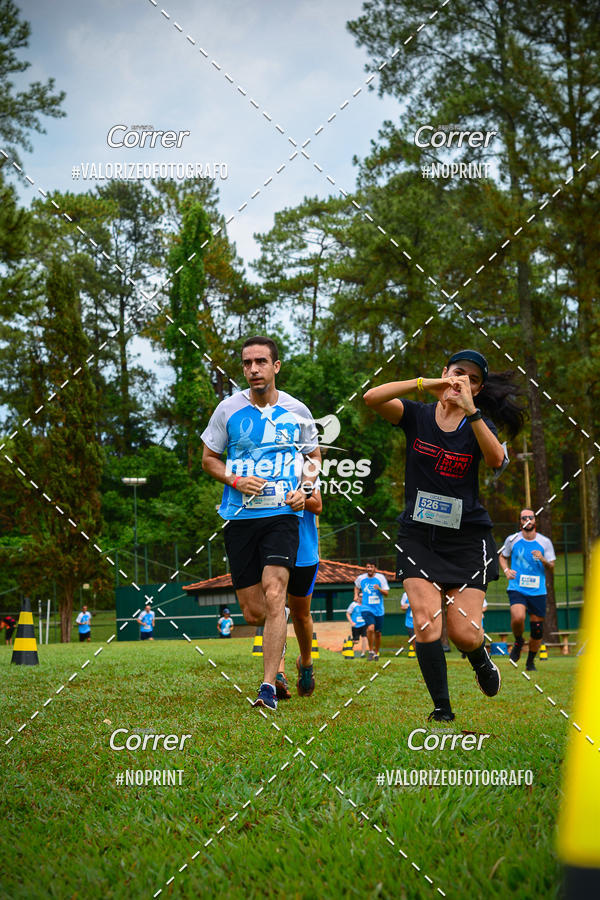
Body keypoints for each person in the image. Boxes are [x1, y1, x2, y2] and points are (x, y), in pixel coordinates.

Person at [364, 349, 525, 722]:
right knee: (425, 621)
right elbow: (372, 398)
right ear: (443, 374)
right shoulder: (418, 415)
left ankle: (480, 658)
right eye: (455, 372)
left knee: (464, 633)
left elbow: (497, 460)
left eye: (469, 378)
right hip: (419, 535)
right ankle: (442, 709)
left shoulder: (478, 424)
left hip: (467, 538)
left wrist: (472, 410)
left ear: (478, 388)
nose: (459, 381)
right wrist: (426, 384)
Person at [202, 336, 320, 711]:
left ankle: (268, 685)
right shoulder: (227, 410)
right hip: (240, 516)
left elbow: (313, 455)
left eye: (261, 362)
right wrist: (235, 480)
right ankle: (281, 664)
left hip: (283, 515)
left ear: (276, 366)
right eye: (247, 363)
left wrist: (306, 488)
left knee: (276, 594)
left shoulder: (297, 410)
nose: (254, 369)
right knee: (254, 611)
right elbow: (209, 459)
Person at [500, 509, 556, 671]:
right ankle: (518, 641)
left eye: (530, 517)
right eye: (524, 518)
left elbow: (551, 567)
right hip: (517, 587)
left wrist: (543, 559)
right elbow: (502, 557)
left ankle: (530, 662)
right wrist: (506, 571)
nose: (527, 520)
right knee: (518, 617)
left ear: (535, 521)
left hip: (538, 591)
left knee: (537, 630)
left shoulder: (545, 542)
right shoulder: (512, 539)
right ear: (520, 522)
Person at [354, 562, 389, 660]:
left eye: (371, 567)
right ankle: (370, 651)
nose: (369, 569)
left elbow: (386, 593)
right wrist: (356, 595)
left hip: (378, 610)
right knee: (370, 628)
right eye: (367, 567)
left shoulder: (381, 578)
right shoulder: (361, 578)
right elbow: (356, 586)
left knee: (378, 633)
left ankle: (376, 652)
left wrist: (379, 589)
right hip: (366, 608)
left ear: (375, 568)